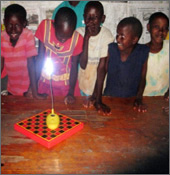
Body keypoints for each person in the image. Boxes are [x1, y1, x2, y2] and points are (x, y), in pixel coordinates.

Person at [35, 7, 83, 104]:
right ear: (54, 25)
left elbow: (74, 67)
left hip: (66, 86)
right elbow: (39, 58)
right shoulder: (44, 28)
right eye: (60, 35)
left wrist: (70, 92)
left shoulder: (77, 40)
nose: (63, 40)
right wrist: (34, 86)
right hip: (45, 82)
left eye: (68, 36)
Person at [104, 17, 150, 113]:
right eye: (117, 35)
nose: (118, 39)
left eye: (122, 36)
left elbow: (142, 78)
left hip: (131, 100)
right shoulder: (111, 49)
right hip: (109, 99)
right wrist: (97, 96)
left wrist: (139, 98)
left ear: (134, 39)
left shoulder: (142, 52)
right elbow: (102, 71)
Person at [76, 1, 114, 115]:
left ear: (103, 19)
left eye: (95, 17)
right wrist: (86, 39)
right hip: (82, 85)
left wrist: (97, 98)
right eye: (88, 17)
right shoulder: (79, 33)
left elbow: (102, 68)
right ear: (84, 18)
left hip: (99, 87)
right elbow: (82, 65)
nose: (91, 21)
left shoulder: (106, 35)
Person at [1, 4, 43, 99]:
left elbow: (31, 64)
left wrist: (33, 90)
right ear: (4, 22)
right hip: (11, 88)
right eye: (9, 25)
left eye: (17, 25)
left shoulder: (27, 35)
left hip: (27, 88)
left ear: (24, 23)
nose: (13, 29)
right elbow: (1, 64)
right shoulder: (2, 37)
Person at [143, 12, 169, 97]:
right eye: (156, 27)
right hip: (144, 98)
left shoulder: (168, 48)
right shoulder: (140, 52)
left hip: (165, 98)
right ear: (148, 27)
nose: (161, 31)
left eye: (165, 28)